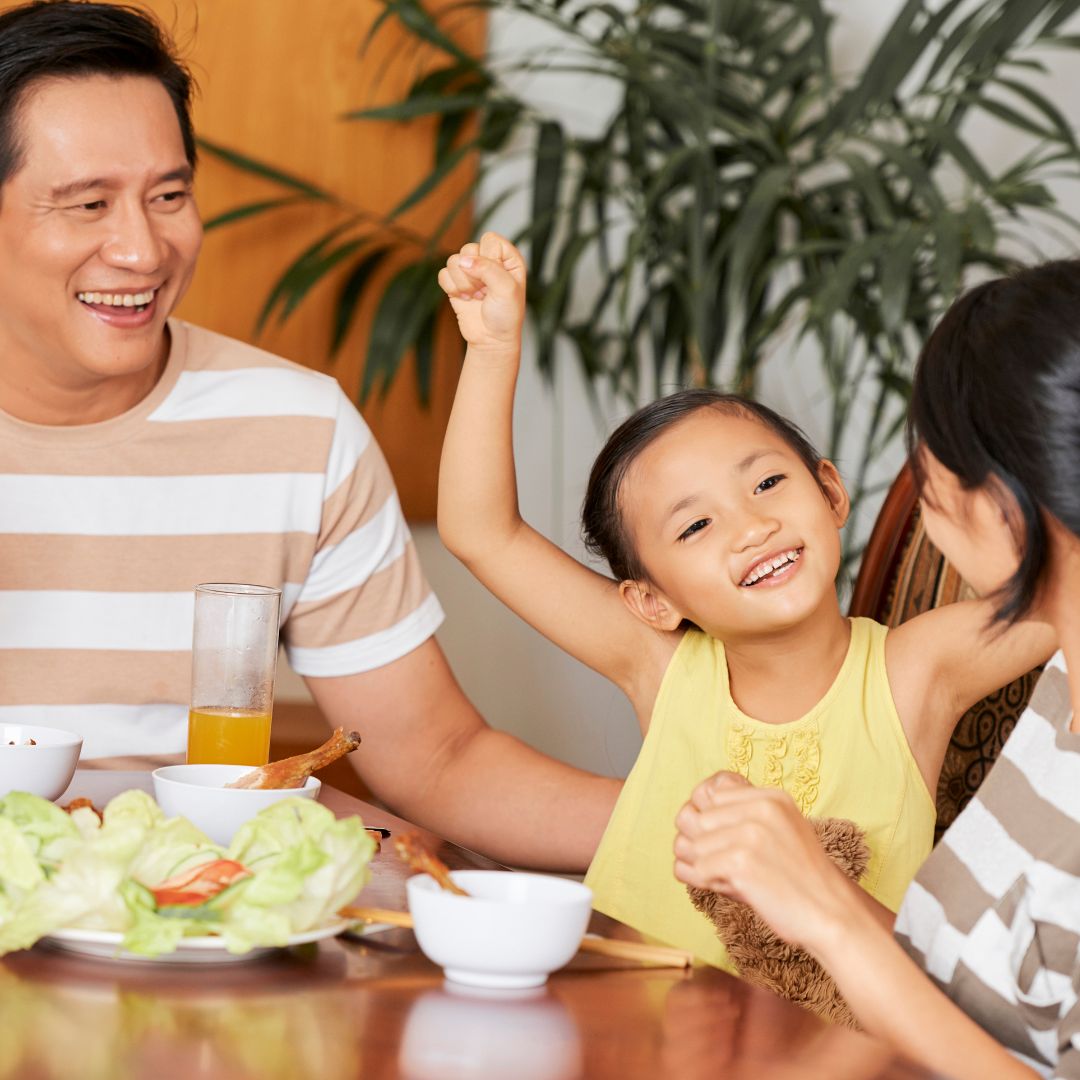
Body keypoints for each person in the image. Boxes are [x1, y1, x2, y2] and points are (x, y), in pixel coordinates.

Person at [0, 0, 619, 872]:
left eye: (169, 195)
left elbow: (435, 758)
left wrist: (711, 835)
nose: (142, 250)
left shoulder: (296, 430)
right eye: (88, 203)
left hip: (205, 937)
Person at [436, 231, 1055, 964]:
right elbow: (483, 534)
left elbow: (1063, 591)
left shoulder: (914, 670)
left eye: (766, 483)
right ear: (652, 600)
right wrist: (493, 351)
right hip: (631, 1025)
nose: (752, 527)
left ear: (829, 493)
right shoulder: (659, 663)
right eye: (696, 525)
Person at [674, 258, 1080, 1077]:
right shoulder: (1061, 679)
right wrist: (791, 876)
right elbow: (959, 1000)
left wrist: (828, 912)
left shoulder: (925, 663)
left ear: (1002, 502)